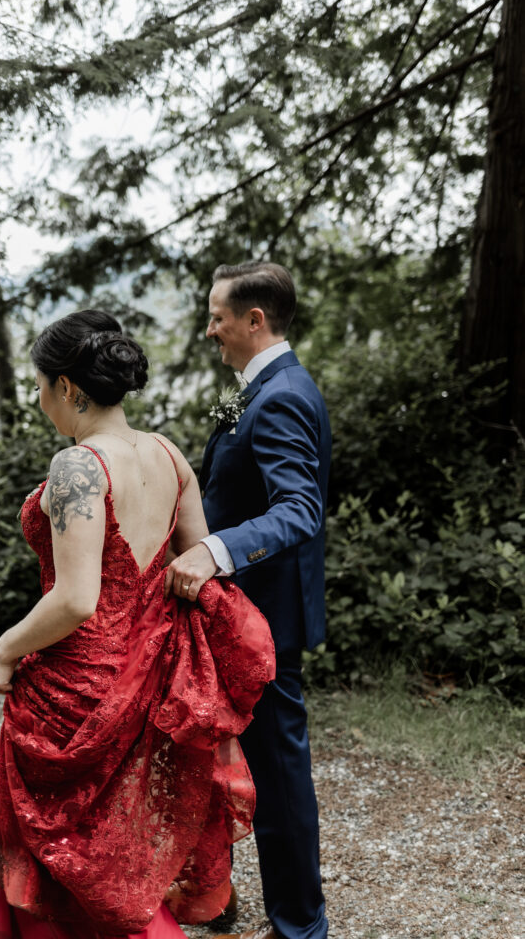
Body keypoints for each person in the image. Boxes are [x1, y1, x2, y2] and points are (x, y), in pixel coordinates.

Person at [0, 309, 276, 939]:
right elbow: (197, 562)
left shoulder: (78, 466)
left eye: (38, 385)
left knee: (63, 834)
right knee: (115, 834)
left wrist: (5, 648)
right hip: (147, 672)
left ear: (67, 386)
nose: (37, 398)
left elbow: (77, 599)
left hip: (77, 681)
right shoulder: (169, 454)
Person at [165, 263, 331, 939]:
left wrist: (213, 551)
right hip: (241, 612)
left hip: (264, 616)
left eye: (217, 316)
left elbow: (300, 509)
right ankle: (215, 896)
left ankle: (300, 930)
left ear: (253, 320)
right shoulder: (265, 388)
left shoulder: (282, 395)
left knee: (278, 777)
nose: (210, 329)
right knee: (228, 762)